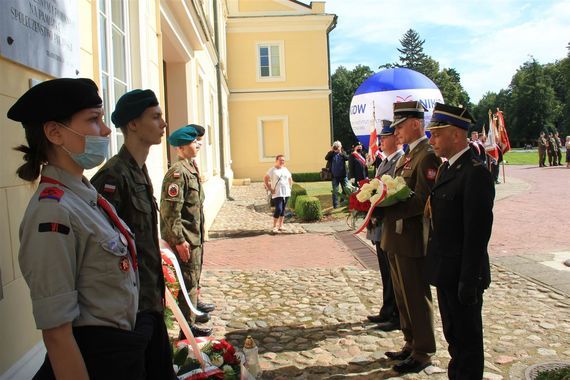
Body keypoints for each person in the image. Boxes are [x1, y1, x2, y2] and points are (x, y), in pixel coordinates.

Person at [8, 78, 144, 379]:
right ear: (55, 132)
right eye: (94, 120)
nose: (106, 130)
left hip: (121, 353)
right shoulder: (52, 211)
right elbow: (57, 334)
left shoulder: (83, 197)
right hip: (93, 362)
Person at [90, 89, 176, 379]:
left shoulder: (138, 171)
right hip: (131, 312)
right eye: (156, 117)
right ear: (133, 125)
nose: (164, 124)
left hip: (150, 301)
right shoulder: (113, 176)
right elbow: (104, 250)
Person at [426, 103, 494, 379]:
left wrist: (469, 280)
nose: (432, 140)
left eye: (436, 134)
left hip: (463, 275)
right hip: (447, 272)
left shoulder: (474, 172)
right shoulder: (447, 170)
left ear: (456, 135)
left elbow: (477, 234)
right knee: (454, 338)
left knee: (468, 344)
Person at [376, 101, 440, 374]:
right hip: (395, 235)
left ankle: (423, 351)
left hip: (412, 237)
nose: (396, 130)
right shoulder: (405, 156)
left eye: (400, 125)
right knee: (402, 295)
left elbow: (423, 200)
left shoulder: (426, 156)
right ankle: (410, 342)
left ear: (416, 123)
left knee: (415, 295)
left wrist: (386, 208)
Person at [160, 125, 213, 338]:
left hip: (194, 237)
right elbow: (170, 211)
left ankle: (190, 320)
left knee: (192, 282)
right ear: (181, 147)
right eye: (193, 142)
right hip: (185, 240)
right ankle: (186, 331)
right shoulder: (178, 173)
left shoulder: (190, 168)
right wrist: (179, 240)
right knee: (187, 285)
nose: (198, 144)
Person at [366, 122, 404, 331]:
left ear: (396, 139)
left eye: (385, 137)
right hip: (380, 225)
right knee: (385, 271)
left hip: (391, 226)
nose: (381, 141)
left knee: (394, 273)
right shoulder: (383, 162)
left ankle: (396, 314)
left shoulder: (400, 161)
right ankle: (387, 308)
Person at [264, 155, 293, 233]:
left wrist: (290, 187)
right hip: (277, 192)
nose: (282, 162)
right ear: (276, 160)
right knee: (278, 209)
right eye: (280, 160)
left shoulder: (285, 169)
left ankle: (281, 225)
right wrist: (270, 189)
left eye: (283, 160)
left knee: (283, 209)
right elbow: (265, 179)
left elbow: (290, 178)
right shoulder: (272, 170)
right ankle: (274, 226)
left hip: (286, 192)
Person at [325, 141, 350, 208]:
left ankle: (342, 200)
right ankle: (335, 205)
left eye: (338, 146)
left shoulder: (342, 153)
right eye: (336, 146)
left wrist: (340, 152)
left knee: (346, 189)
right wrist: (332, 150)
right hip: (334, 176)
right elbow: (326, 158)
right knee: (335, 191)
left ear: (340, 147)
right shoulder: (331, 154)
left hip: (343, 175)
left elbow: (347, 158)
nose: (337, 148)